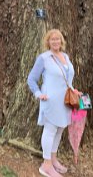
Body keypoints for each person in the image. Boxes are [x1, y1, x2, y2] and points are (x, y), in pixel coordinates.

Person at [27, 29, 79, 177]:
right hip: (50, 100)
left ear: (61, 41)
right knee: (50, 131)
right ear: (48, 42)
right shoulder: (44, 58)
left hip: (65, 102)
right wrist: (38, 94)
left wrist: (74, 91)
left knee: (60, 130)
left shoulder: (65, 57)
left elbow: (68, 79)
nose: (55, 41)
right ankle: (46, 164)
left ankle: (53, 159)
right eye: (52, 39)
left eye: (58, 39)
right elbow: (31, 79)